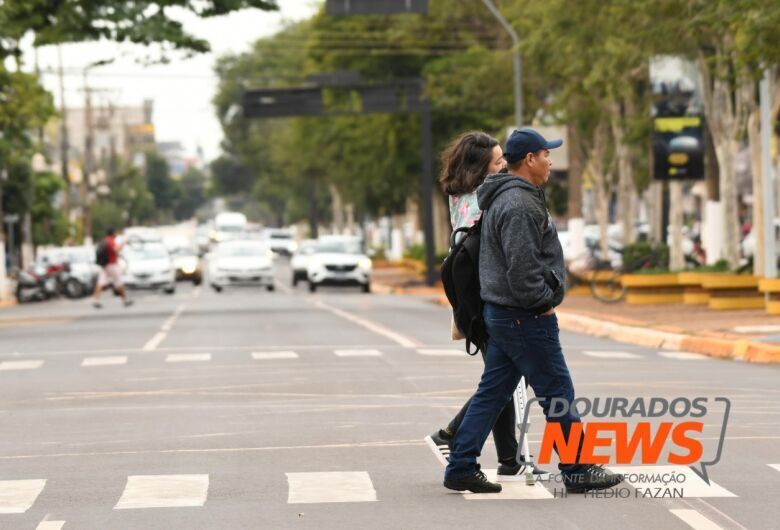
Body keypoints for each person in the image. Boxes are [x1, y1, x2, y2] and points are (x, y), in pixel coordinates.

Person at [443, 128, 625, 494]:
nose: (550, 161)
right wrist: (543, 303)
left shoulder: (507, 198)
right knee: (558, 390)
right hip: (524, 315)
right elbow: (522, 270)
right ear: (529, 159)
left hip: (504, 313)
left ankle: (461, 465)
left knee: (493, 392)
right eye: (546, 154)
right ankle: (577, 467)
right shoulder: (518, 204)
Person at [425, 131, 547, 480]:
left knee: (504, 375)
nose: (505, 166)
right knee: (503, 378)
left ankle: (510, 459)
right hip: (489, 298)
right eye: (498, 162)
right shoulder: (484, 199)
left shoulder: (463, 195)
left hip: (474, 297)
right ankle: (450, 434)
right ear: (482, 168)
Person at [93, 227, 133, 308]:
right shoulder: (110, 241)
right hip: (112, 265)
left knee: (100, 282)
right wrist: (123, 243)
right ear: (113, 233)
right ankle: (125, 300)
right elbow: (116, 250)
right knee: (119, 282)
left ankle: (96, 300)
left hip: (105, 265)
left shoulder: (104, 240)